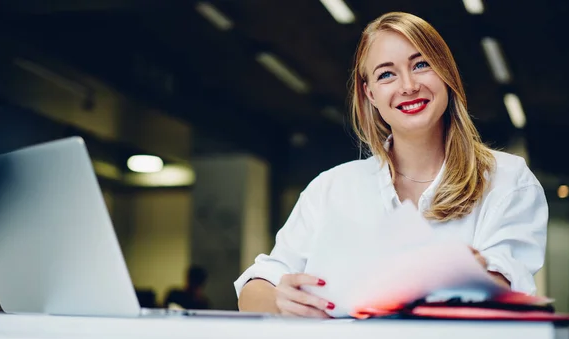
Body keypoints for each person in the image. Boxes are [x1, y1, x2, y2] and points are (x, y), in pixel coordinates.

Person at [234, 12, 547, 318]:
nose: (408, 86)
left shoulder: (506, 179)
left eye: (421, 65)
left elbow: (505, 284)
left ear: (445, 73)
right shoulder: (331, 188)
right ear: (370, 93)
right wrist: (279, 301)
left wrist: (472, 279)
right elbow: (255, 287)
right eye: (387, 74)